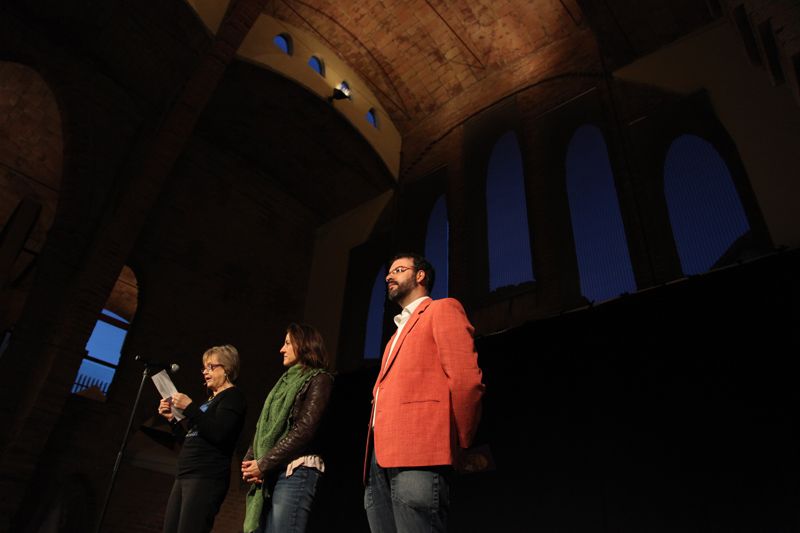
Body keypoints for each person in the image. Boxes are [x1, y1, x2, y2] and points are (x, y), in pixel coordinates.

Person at [364, 253, 485, 533]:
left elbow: (466, 380)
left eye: (399, 270)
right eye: (388, 272)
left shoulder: (443, 309)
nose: (389, 276)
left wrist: (461, 443)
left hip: (419, 452)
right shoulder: (394, 337)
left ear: (420, 276)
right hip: (378, 458)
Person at [241, 323, 334, 533]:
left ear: (303, 345)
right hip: (273, 470)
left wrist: (263, 463)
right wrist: (250, 462)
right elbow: (263, 425)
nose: (281, 349)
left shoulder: (320, 379)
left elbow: (305, 429)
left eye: (287, 343)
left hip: (296, 470)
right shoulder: (282, 384)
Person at [158, 344, 247, 533]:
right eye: (204, 368)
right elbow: (191, 440)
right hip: (185, 474)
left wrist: (190, 409)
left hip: (206, 476)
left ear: (227, 369)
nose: (205, 372)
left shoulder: (233, 397)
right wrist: (172, 421)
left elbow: (219, 433)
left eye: (211, 367)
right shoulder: (208, 402)